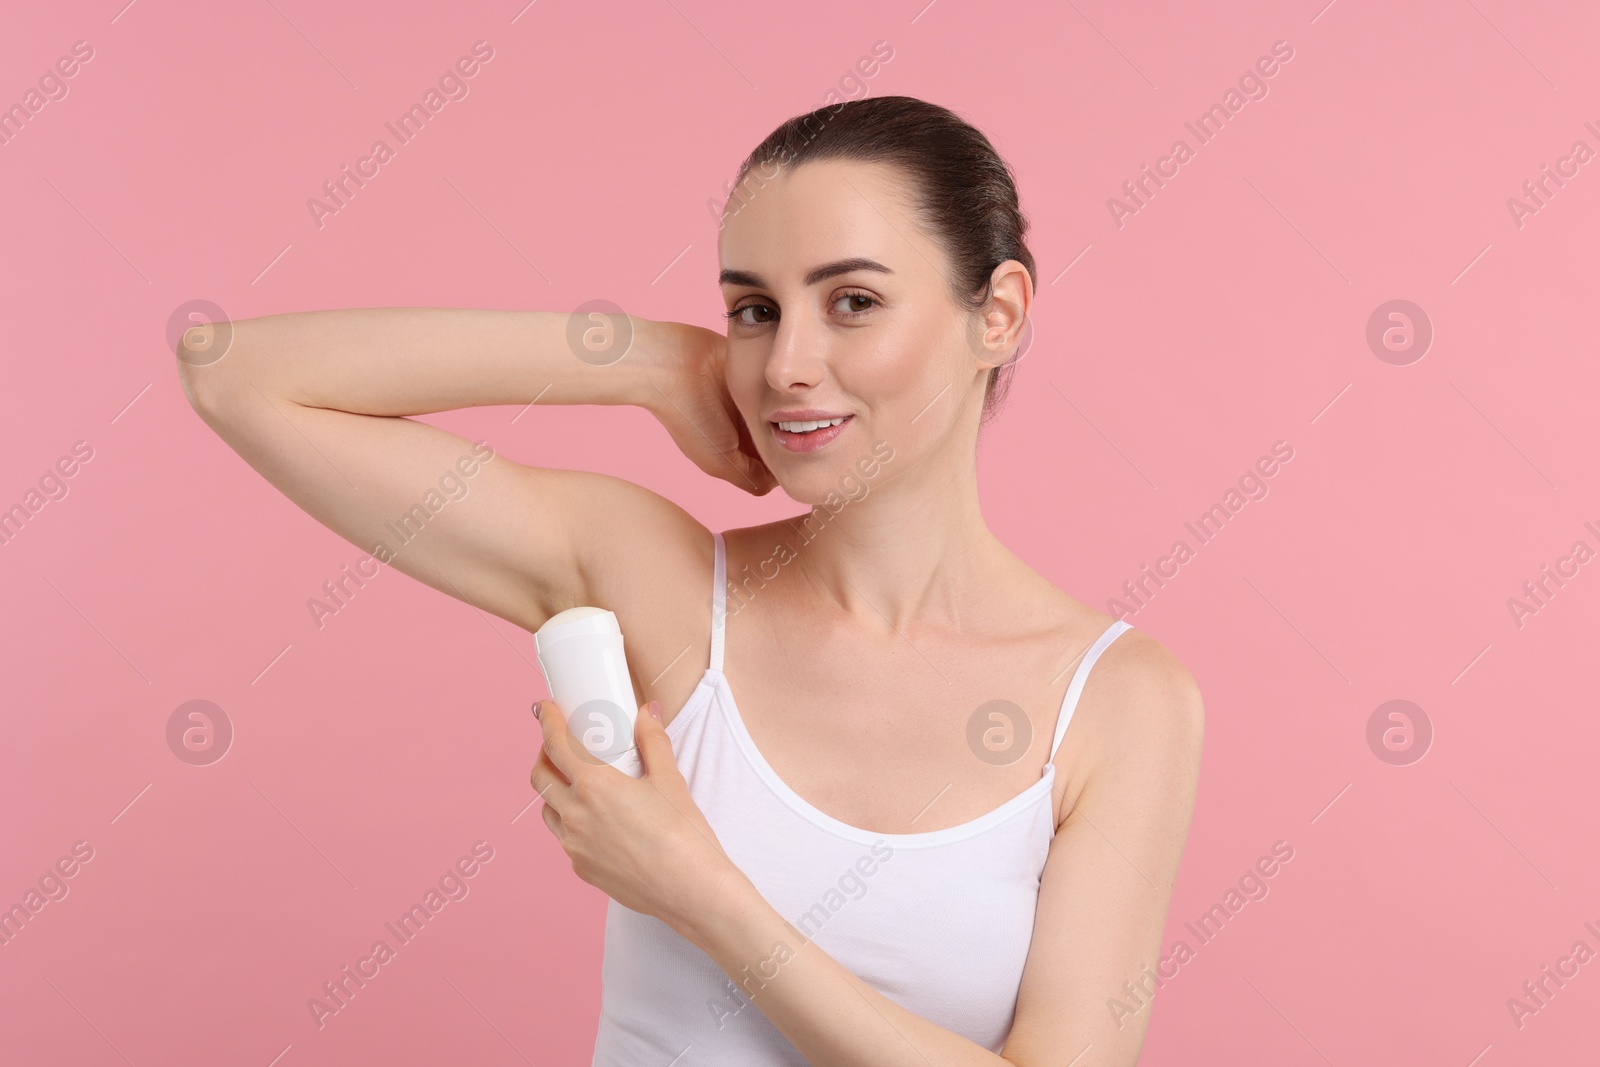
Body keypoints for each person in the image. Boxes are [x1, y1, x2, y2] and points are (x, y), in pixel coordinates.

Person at [177, 94, 1202, 1067]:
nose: (787, 362)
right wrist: (642, 360)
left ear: (999, 312)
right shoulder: (658, 583)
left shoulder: (1116, 701)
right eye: (753, 309)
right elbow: (230, 372)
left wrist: (700, 892)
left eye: (852, 301)